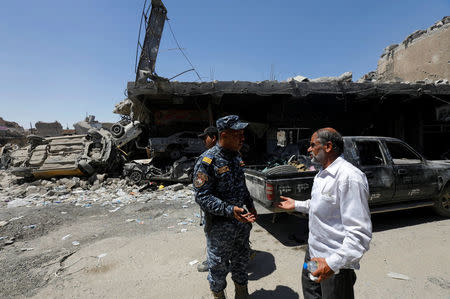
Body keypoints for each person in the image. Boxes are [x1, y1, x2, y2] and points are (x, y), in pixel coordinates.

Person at [275, 128, 372, 299]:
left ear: (328, 147)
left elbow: (360, 235)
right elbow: (320, 205)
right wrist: (296, 204)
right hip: (313, 254)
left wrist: (332, 264)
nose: (308, 149)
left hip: (335, 264)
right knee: (311, 292)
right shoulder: (322, 173)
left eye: (313, 145)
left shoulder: (349, 178)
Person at [193, 115, 257, 299]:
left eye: (243, 134)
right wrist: (229, 210)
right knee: (218, 269)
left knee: (241, 264)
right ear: (224, 135)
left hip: (241, 224)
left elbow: (241, 185)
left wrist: (250, 205)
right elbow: (202, 196)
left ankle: (241, 295)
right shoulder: (207, 160)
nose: (242, 138)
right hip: (220, 228)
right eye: (238, 134)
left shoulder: (236, 157)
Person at [197, 126, 219, 273]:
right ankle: (245, 252)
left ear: (213, 138)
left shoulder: (207, 157)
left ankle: (212, 262)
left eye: (205, 137)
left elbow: (201, 191)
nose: (204, 141)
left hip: (214, 207)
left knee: (211, 234)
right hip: (231, 206)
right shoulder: (233, 153)